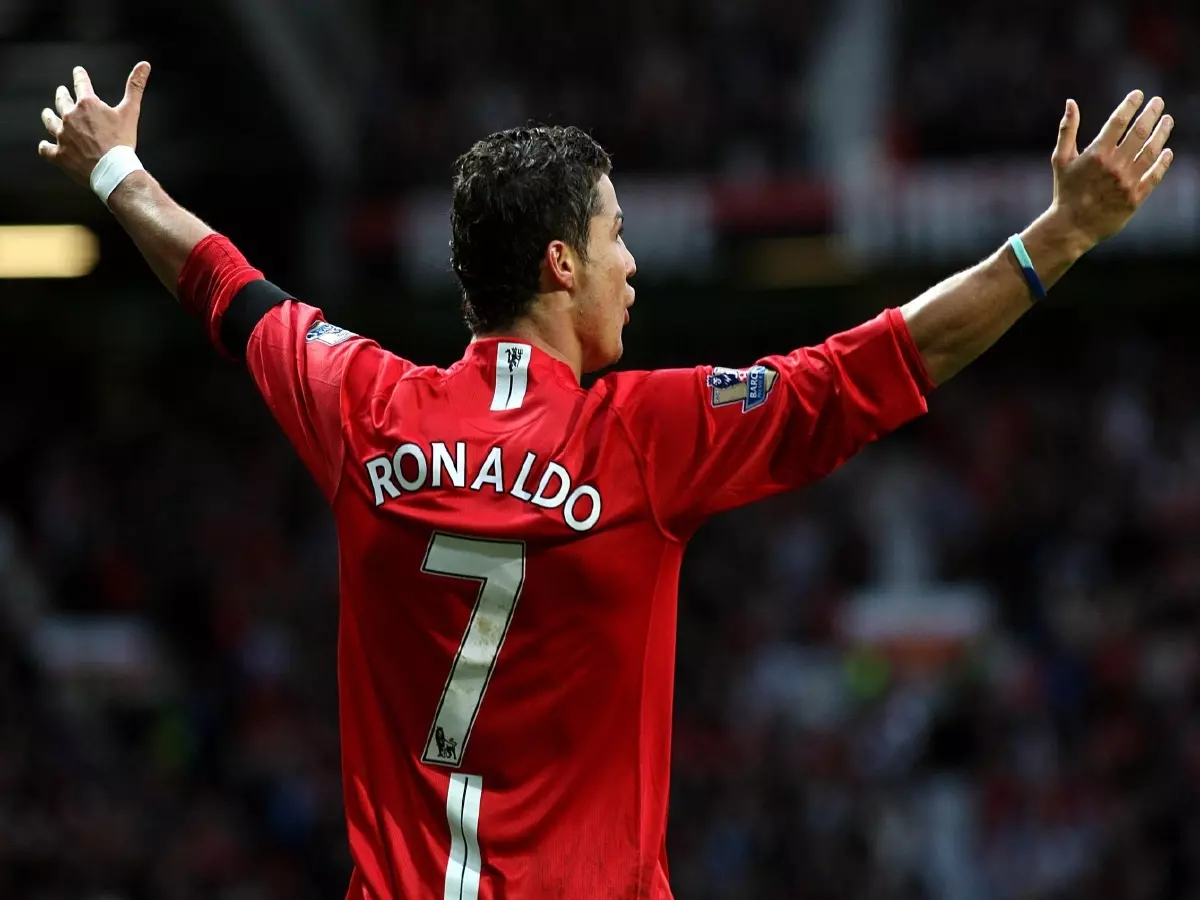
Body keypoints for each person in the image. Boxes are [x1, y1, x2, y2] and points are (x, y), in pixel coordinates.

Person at [38, 61, 1173, 900]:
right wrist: (1056, 240)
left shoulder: (362, 408)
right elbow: (872, 367)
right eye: (617, 235)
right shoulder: (643, 439)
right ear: (561, 262)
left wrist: (115, 167)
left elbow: (223, 286)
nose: (632, 265)